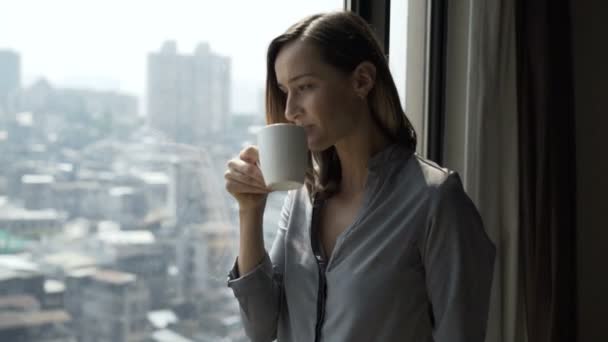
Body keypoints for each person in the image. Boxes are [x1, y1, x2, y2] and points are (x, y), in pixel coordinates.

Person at [224, 11, 495, 342]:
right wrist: (249, 211)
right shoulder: (302, 198)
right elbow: (262, 328)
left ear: (362, 80)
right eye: (285, 91)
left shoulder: (435, 201)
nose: (290, 109)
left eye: (305, 86)